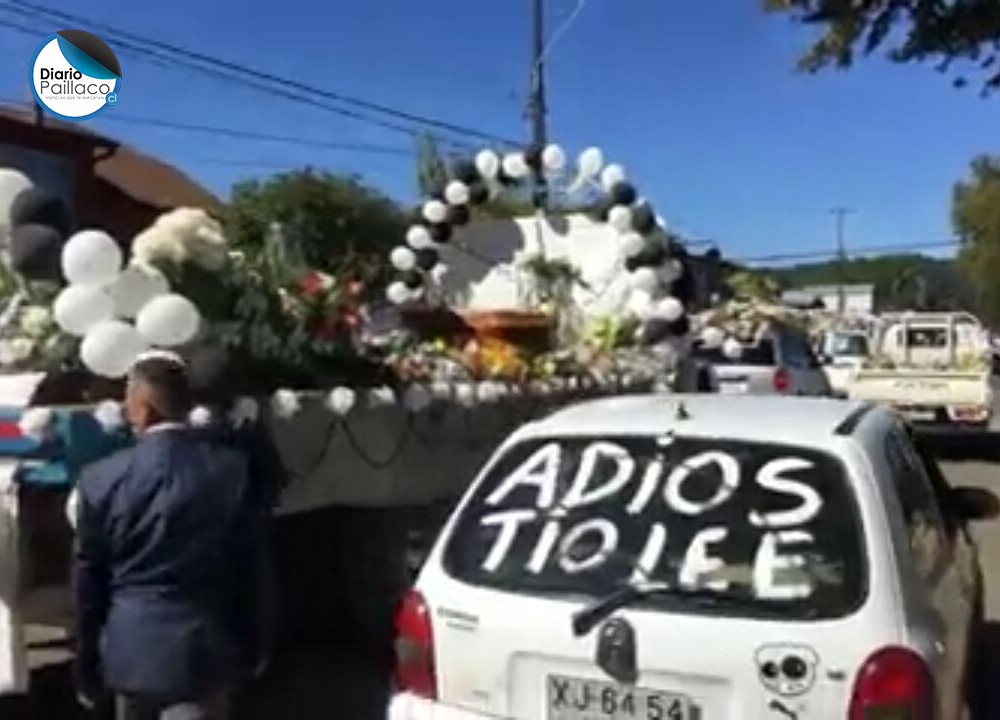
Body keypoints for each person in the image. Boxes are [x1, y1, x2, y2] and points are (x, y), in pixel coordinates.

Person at [74, 353, 268, 719]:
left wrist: (86, 662)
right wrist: (255, 643)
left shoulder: (100, 478)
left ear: (142, 407)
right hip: (203, 648)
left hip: (130, 647)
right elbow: (251, 566)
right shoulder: (229, 469)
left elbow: (89, 581)